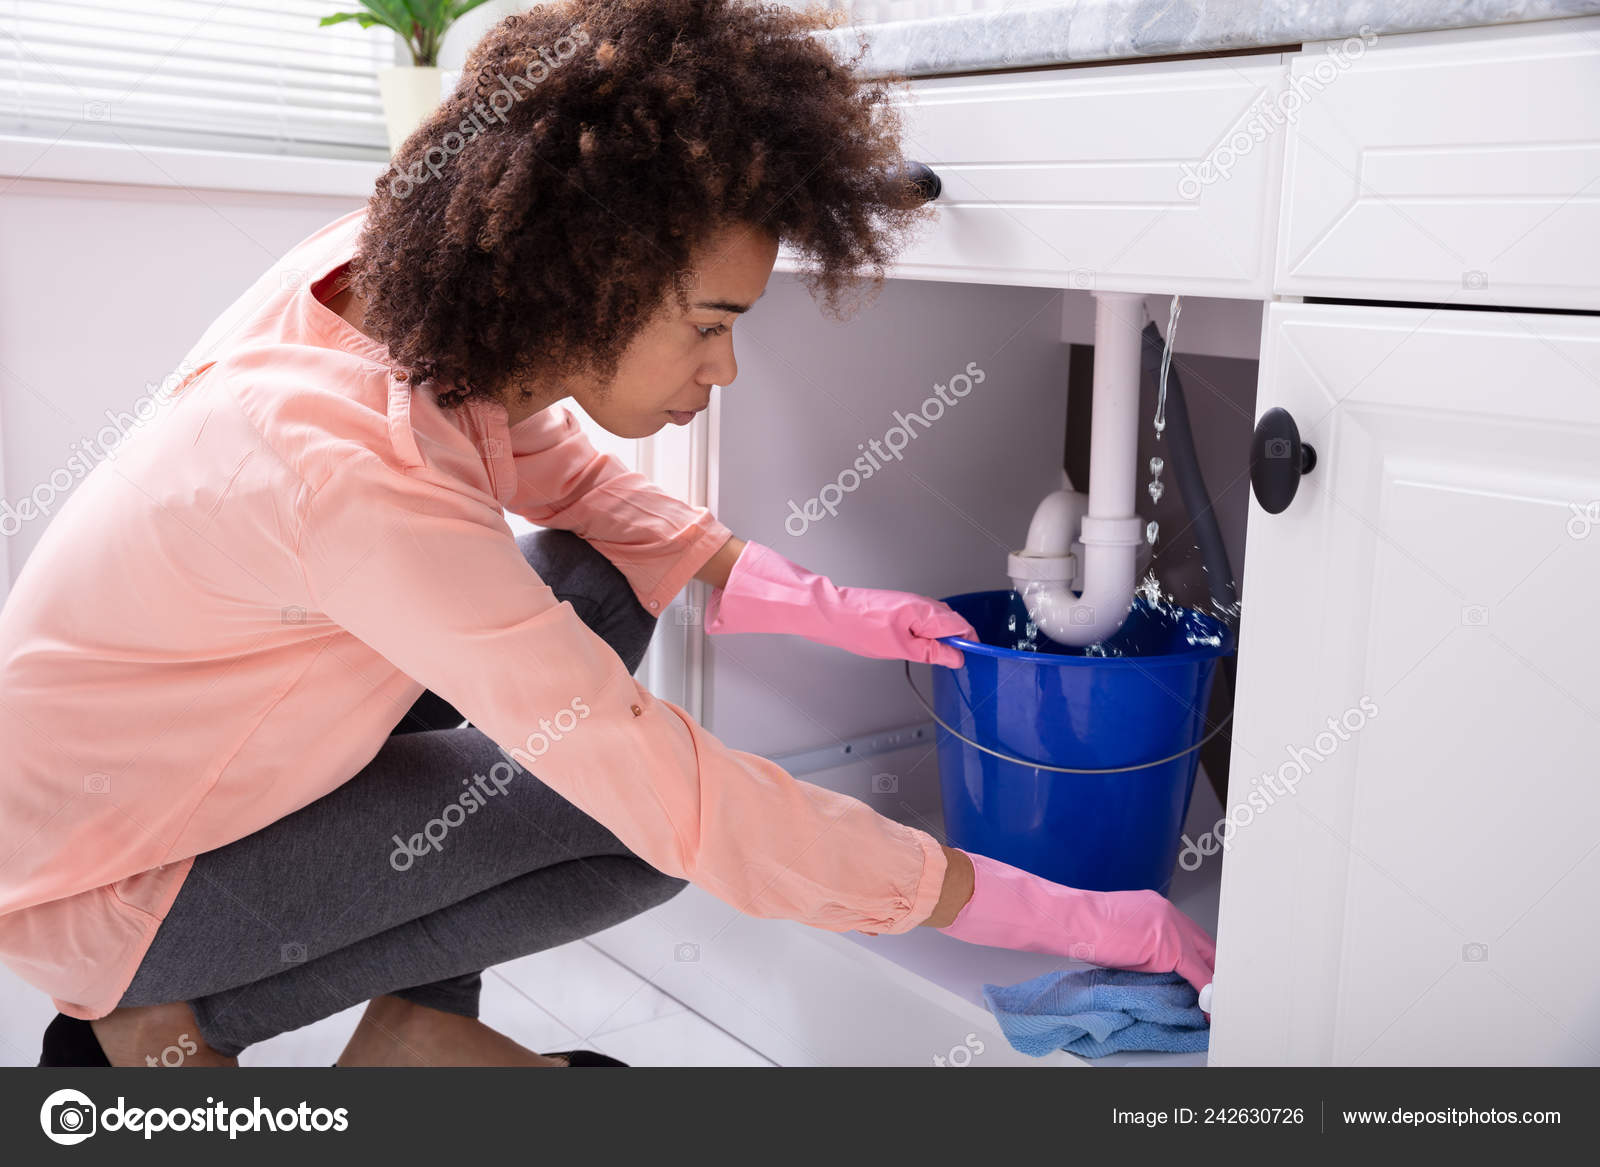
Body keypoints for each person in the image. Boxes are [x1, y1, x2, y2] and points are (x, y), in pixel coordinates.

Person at [2, 0, 1214, 1068]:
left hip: (228, 747)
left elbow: (573, 483)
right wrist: (1072, 916)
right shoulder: (348, 471)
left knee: (603, 585)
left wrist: (842, 611)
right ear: (586, 276)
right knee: (636, 819)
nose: (726, 366)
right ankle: (147, 1021)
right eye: (709, 323)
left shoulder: (391, 287)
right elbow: (664, 788)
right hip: (111, 870)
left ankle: (417, 1032)